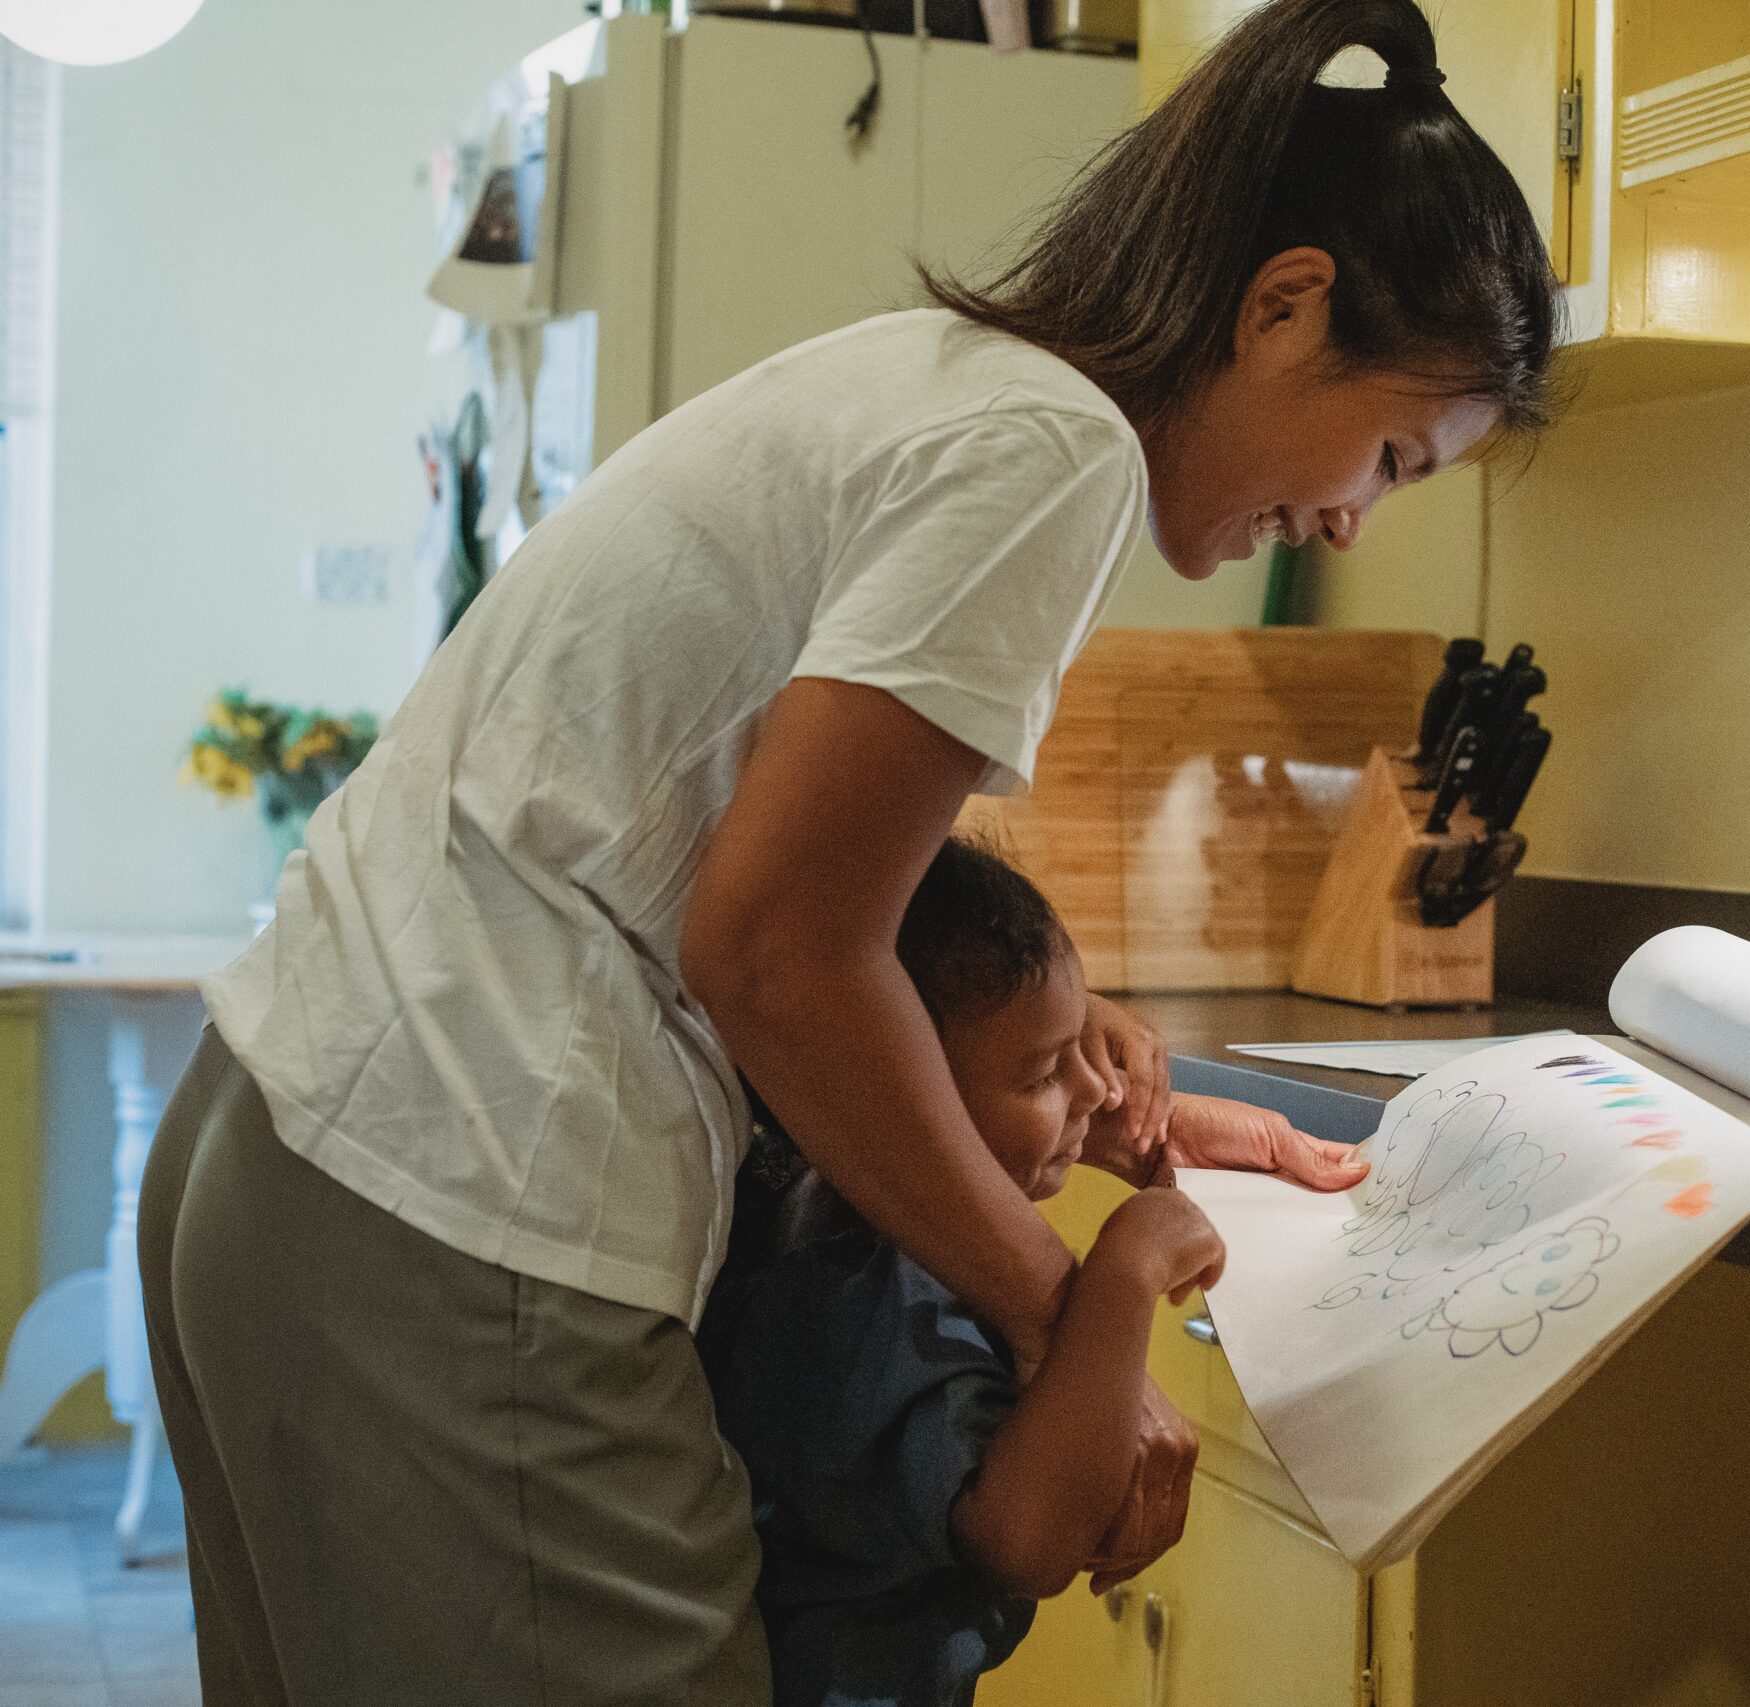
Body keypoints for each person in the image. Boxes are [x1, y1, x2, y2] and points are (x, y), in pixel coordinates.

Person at [137, 0, 1561, 1698]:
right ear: (1283, 305)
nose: (1351, 518)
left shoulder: (949, 386)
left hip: (289, 1129)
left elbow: (793, 885)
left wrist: (1080, 1056)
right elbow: (778, 952)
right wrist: (1060, 1308)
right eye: (1390, 455)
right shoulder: (1056, 454)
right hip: (465, 1187)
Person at [700, 841, 1226, 1707]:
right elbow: (1027, 1540)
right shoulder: (873, 1299)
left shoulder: (828, 1223)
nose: (1098, 1090)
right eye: (1046, 1071)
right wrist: (1125, 1272)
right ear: (908, 1091)